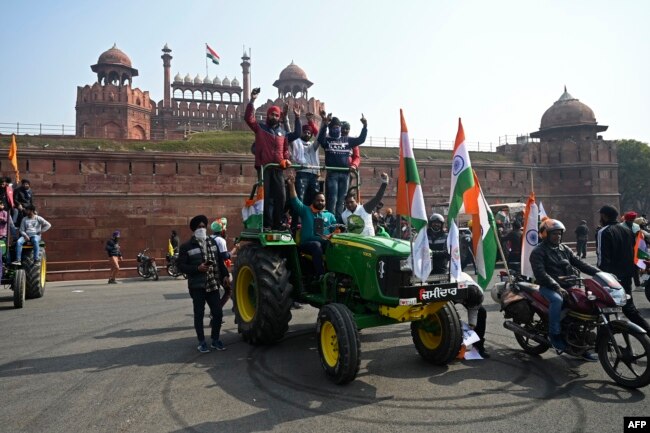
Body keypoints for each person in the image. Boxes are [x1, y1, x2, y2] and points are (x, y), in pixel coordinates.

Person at [530, 218, 600, 360]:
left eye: (559, 234)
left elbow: (580, 263)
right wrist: (556, 287)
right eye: (554, 234)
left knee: (584, 303)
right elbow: (541, 273)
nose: (558, 236)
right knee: (557, 300)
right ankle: (554, 334)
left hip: (569, 285)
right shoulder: (538, 251)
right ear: (545, 234)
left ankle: (581, 341)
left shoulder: (564, 249)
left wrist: (599, 273)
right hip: (548, 287)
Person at [177, 215, 231, 353]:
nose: (201, 229)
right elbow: (181, 266)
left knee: (218, 313)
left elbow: (220, 261)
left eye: (203, 226)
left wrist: (225, 275)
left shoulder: (212, 244)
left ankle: (215, 339)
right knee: (199, 314)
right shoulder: (186, 246)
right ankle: (201, 342)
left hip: (212, 284)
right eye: (199, 227)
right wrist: (197, 268)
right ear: (194, 229)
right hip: (197, 286)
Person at [597, 205, 650, 333]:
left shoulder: (603, 231)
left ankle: (604, 343)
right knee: (629, 308)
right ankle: (647, 331)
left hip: (610, 278)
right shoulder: (627, 231)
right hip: (627, 275)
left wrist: (601, 276)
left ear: (604, 216)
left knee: (601, 309)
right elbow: (633, 252)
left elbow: (602, 260)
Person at [244, 88, 292, 230]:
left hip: (278, 168)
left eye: (276, 115)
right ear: (267, 115)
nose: (274, 117)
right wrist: (252, 100)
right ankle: (267, 224)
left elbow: (285, 150)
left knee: (281, 197)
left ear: (280, 117)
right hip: (264, 167)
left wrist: (286, 160)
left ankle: (278, 223)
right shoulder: (261, 128)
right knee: (266, 197)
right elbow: (248, 118)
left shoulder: (282, 132)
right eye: (272, 114)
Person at [317, 112, 367, 221]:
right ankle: (330, 221)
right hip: (333, 173)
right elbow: (320, 139)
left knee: (341, 199)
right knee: (332, 198)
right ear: (330, 129)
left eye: (338, 127)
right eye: (334, 127)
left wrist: (365, 126)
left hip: (345, 174)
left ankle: (338, 222)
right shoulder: (327, 140)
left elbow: (361, 139)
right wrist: (325, 124)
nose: (337, 129)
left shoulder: (347, 140)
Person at [286, 174, 337, 278]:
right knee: (316, 245)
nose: (320, 202)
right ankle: (321, 276)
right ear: (313, 201)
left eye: (322, 200)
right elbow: (295, 201)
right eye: (318, 200)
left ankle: (336, 275)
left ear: (325, 202)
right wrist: (291, 185)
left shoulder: (330, 215)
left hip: (325, 245)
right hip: (307, 245)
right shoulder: (306, 211)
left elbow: (336, 231)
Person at [288, 107, 320, 230]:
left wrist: (313, 121)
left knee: (315, 201)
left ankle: (315, 226)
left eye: (309, 133)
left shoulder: (313, 146)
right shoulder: (296, 143)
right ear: (301, 132)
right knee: (299, 200)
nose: (307, 134)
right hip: (302, 174)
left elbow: (320, 138)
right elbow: (289, 132)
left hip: (313, 174)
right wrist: (288, 118)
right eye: (305, 132)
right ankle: (295, 226)